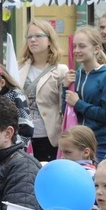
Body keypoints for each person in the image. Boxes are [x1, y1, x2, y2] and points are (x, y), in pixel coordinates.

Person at [63, 26, 106, 160]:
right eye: (74, 46)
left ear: (96, 49)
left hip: (100, 143)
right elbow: (65, 111)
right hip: (77, 142)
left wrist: (78, 103)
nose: (76, 50)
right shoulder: (76, 75)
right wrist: (65, 88)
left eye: (82, 46)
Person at [18, 20, 69, 162]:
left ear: (49, 40)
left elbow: (63, 107)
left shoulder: (60, 71)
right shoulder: (19, 68)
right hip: (23, 135)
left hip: (50, 137)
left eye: (38, 36)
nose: (33, 40)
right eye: (29, 37)